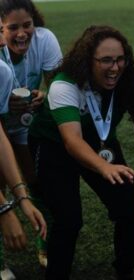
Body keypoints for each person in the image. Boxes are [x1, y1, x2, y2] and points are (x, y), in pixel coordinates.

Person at [28, 25, 134, 280]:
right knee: (68, 219)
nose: (115, 67)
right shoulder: (64, 84)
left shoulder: (126, 78)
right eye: (106, 60)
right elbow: (72, 142)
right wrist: (105, 167)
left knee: (128, 204)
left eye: (120, 59)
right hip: (54, 145)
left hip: (100, 141)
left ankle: (125, 271)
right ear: (88, 60)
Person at [0, 0, 62, 268]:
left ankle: (45, 247)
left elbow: (62, 89)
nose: (22, 33)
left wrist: (44, 96)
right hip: (3, 124)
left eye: (27, 25)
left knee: (37, 184)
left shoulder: (45, 40)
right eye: (12, 28)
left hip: (25, 125)